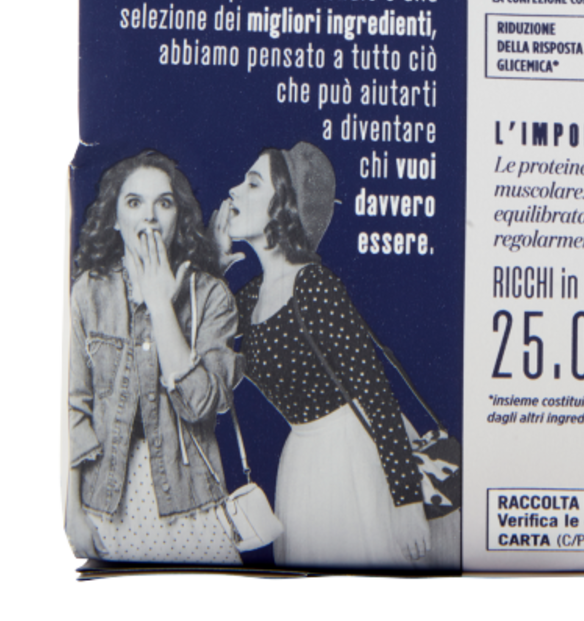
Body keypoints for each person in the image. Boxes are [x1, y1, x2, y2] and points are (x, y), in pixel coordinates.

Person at [215, 143, 433, 569]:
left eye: (253, 184)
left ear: (284, 206)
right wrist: (218, 265)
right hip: (302, 461)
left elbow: (376, 393)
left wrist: (407, 502)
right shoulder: (251, 295)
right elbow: (202, 335)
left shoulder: (315, 285)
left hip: (354, 456)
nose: (234, 191)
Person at [67, 150, 241, 565]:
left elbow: (201, 405)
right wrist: (70, 511)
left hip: (191, 501)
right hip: (104, 500)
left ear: (178, 216)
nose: (149, 217)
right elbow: (72, 409)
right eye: (134, 202)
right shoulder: (88, 292)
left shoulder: (211, 295)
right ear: (114, 217)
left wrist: (161, 306)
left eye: (163, 203)